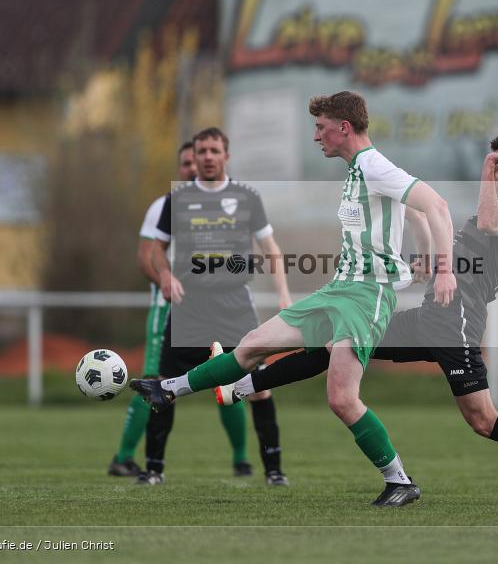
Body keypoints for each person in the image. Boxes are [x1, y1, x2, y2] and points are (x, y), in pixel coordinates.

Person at [213, 137, 498, 507]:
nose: (491, 169)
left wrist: (485, 176)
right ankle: (239, 387)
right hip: (431, 317)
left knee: (483, 420)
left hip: (456, 323)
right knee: (341, 342)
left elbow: (493, 225)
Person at [132, 91, 457, 507]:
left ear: (343, 127)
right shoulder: (360, 169)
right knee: (252, 345)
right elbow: (412, 212)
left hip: (366, 296)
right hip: (339, 289)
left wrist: (443, 267)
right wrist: (424, 255)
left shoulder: (373, 165)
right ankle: (168, 390)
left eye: (320, 128)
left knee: (341, 398)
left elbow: (437, 205)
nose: (316, 136)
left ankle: (399, 481)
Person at [137, 128, 294, 486]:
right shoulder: (176, 199)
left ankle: (274, 471)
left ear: (226, 155)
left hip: (234, 304)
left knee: (259, 386)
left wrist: (283, 294)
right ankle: (152, 470)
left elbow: (271, 249)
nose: (207, 157)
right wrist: (164, 276)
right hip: (189, 304)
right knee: (164, 385)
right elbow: (156, 250)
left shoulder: (247, 197)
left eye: (214, 150)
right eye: (202, 151)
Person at [107, 141, 198, 477]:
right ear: (180, 168)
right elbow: (146, 256)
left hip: (213, 310)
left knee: (229, 373)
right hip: (168, 307)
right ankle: (125, 456)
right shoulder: (164, 205)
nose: (192, 167)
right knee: (153, 380)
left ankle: (242, 461)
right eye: (186, 162)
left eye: (198, 160)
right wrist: (167, 282)